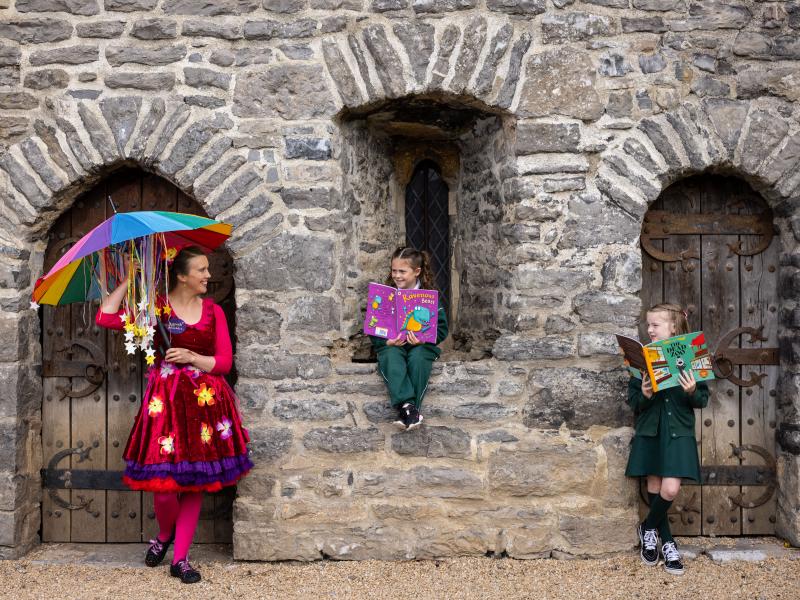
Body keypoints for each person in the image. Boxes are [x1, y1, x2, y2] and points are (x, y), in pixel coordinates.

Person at [96, 246, 252, 584]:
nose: (208, 275)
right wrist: (128, 280)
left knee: (194, 484)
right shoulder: (156, 308)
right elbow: (106, 316)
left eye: (207, 269)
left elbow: (224, 363)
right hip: (165, 406)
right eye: (201, 270)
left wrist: (193, 357)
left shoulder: (213, 312)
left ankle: (180, 559)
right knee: (165, 487)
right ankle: (164, 534)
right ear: (182, 275)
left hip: (205, 405)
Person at [625, 303, 710, 576]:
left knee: (670, 489)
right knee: (654, 483)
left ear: (674, 327)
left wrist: (691, 389)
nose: (649, 330)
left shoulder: (692, 355)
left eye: (655, 325)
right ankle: (668, 543)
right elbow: (634, 401)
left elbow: (702, 399)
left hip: (678, 431)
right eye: (648, 325)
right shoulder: (641, 357)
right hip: (651, 430)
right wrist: (645, 394)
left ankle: (648, 527)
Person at [369, 247, 449, 430]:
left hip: (421, 346)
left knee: (418, 358)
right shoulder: (385, 294)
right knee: (391, 356)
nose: (397, 275)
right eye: (394, 270)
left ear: (417, 271)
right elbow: (373, 329)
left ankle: (408, 409)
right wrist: (385, 341)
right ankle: (409, 408)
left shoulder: (429, 296)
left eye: (402, 271)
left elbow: (442, 329)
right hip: (393, 345)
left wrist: (423, 340)